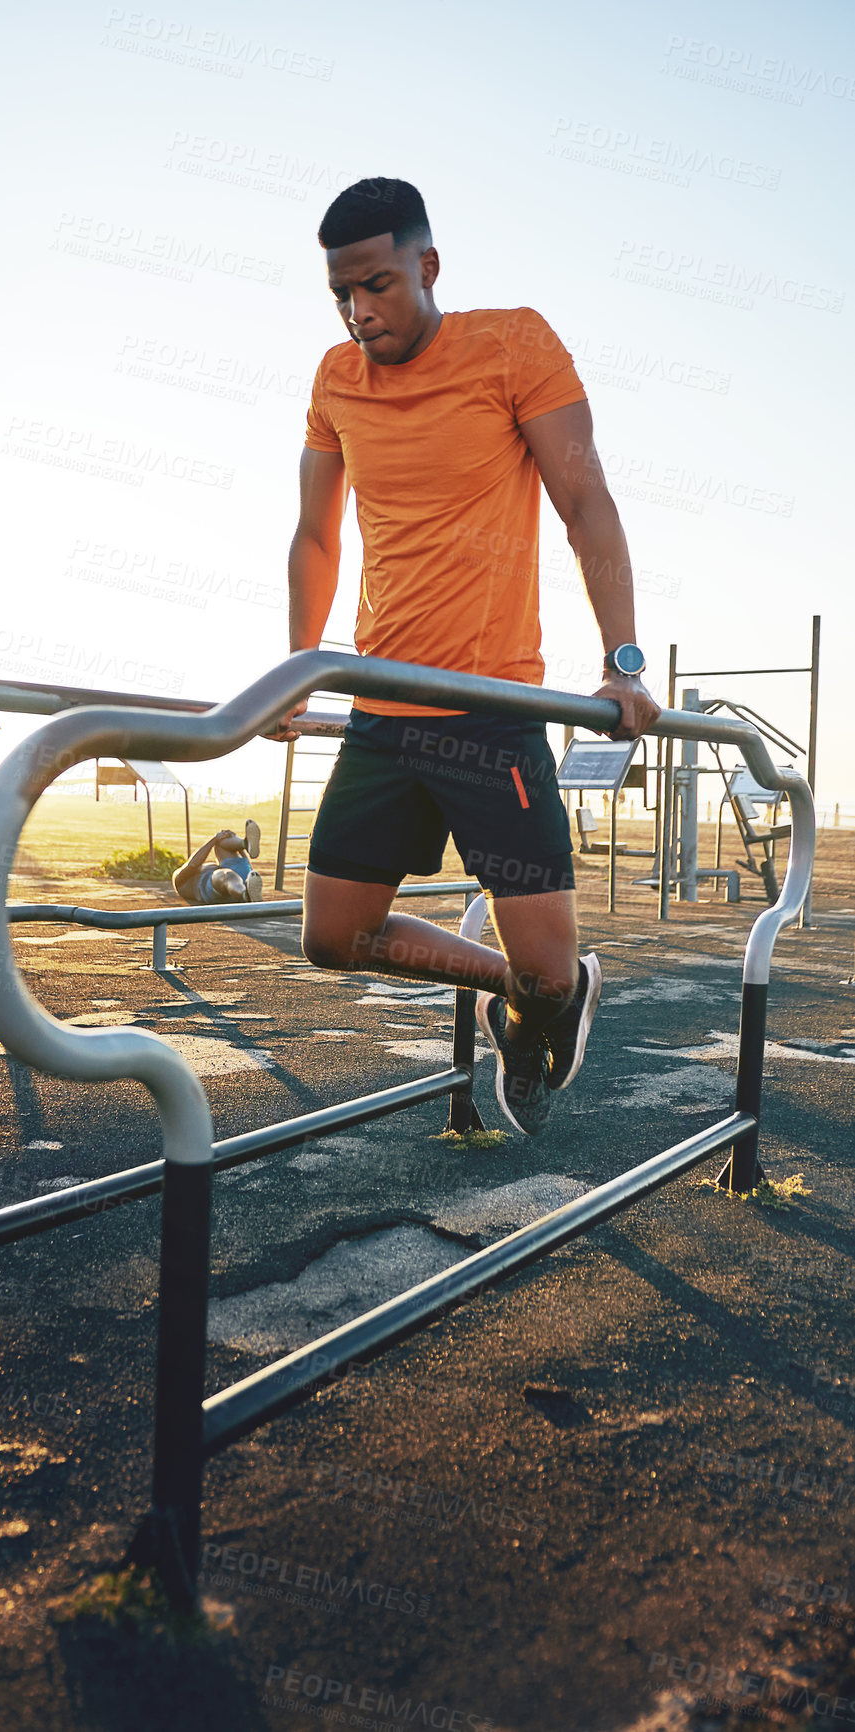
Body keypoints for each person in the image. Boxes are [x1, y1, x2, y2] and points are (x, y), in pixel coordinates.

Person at [272, 178, 659, 1136]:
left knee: (548, 967)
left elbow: (586, 506)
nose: (360, 312)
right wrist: (296, 662)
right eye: (341, 295)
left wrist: (623, 662)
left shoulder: (512, 344)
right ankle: (517, 1000)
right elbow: (315, 536)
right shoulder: (334, 379)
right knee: (334, 939)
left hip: (491, 713)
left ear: (426, 266)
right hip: (383, 703)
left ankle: (546, 996)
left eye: (377, 285)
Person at [172, 822, 263, 905]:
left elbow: (248, 868)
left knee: (220, 843)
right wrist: (214, 839)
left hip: (237, 881)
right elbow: (193, 864)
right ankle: (245, 895)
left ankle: (245, 844)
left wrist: (236, 846)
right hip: (222, 889)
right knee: (227, 874)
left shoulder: (208, 870)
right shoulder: (178, 879)